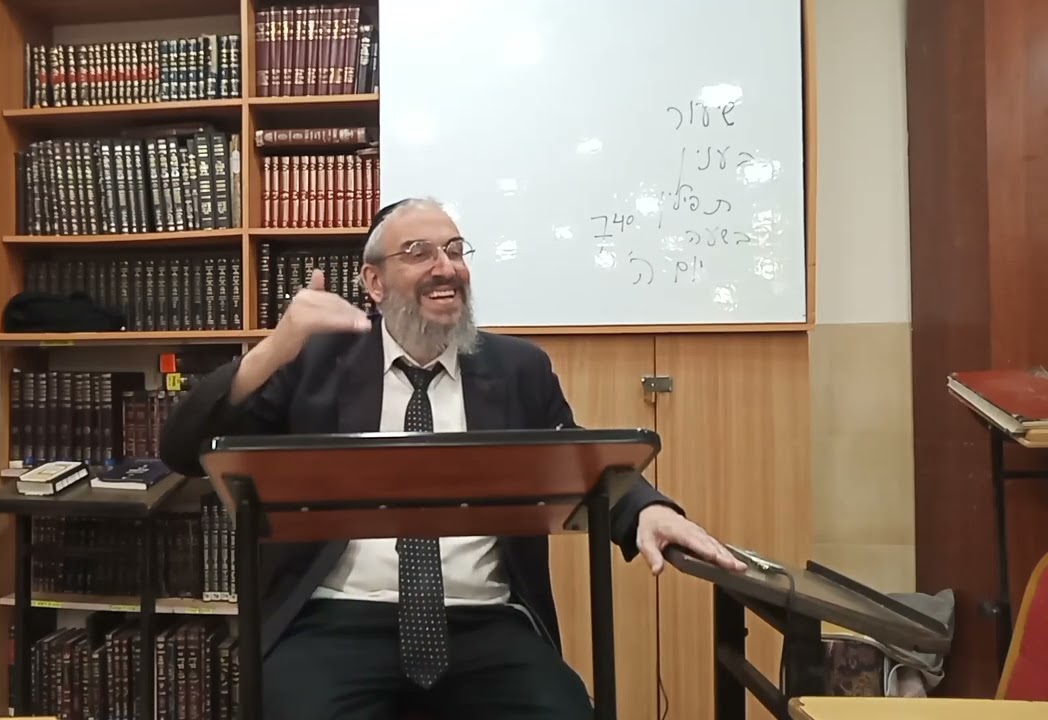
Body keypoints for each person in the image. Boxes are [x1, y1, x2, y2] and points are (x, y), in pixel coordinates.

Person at [159, 197, 747, 720]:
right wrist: (277, 346)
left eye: (456, 250)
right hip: (337, 621)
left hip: (485, 621)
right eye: (418, 253)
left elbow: (579, 455)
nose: (446, 267)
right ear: (374, 282)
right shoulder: (315, 364)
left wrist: (646, 510)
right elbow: (182, 450)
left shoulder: (517, 369)